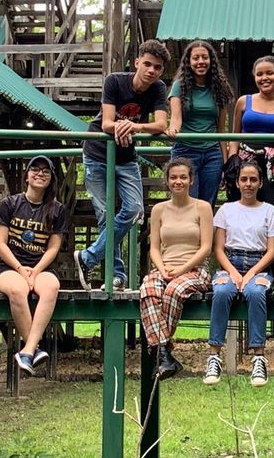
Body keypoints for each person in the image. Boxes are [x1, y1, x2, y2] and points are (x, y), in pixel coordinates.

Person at [74, 40, 170, 291]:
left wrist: (134, 126)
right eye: (147, 64)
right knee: (106, 215)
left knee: (135, 208)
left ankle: (89, 257)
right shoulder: (115, 81)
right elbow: (106, 123)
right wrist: (119, 126)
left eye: (157, 67)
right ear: (137, 62)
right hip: (97, 152)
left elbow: (161, 125)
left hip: (126, 155)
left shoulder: (158, 88)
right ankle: (117, 276)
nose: (151, 70)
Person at [204, 161, 274, 387]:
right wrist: (234, 273)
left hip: (259, 264)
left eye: (253, 180)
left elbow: (273, 250)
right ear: (237, 182)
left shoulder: (270, 210)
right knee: (222, 290)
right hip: (230, 262)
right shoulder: (226, 210)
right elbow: (218, 248)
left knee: (256, 292)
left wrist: (250, 274)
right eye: (244, 179)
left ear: (260, 183)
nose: (248, 184)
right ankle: (214, 355)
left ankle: (259, 356)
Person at [0, 155, 68, 375]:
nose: (40, 174)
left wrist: (36, 270)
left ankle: (27, 352)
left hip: (40, 267)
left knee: (51, 287)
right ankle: (33, 349)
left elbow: (53, 247)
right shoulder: (10, 204)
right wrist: (19, 268)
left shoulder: (57, 209)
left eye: (46, 171)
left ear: (51, 178)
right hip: (9, 267)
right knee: (17, 289)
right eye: (35, 169)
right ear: (27, 175)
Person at [140, 158, 214, 379]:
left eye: (183, 177)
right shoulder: (159, 210)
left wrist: (183, 268)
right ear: (167, 181)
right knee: (148, 290)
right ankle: (164, 355)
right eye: (173, 177)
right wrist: (161, 268)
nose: (178, 181)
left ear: (191, 180)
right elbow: (154, 248)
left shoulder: (202, 207)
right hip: (166, 268)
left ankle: (160, 351)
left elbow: (206, 248)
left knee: (173, 292)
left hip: (195, 269)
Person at [166, 40, 235, 208]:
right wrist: (173, 129)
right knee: (187, 203)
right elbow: (176, 118)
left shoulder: (220, 89)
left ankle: (204, 235)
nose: (200, 62)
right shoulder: (179, 87)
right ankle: (187, 235)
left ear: (211, 61)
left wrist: (225, 165)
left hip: (212, 154)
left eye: (205, 57)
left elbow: (221, 130)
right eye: (195, 58)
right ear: (188, 62)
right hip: (186, 150)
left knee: (207, 204)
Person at [228, 55, 274, 208]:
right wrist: (232, 160)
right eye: (259, 74)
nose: (264, 78)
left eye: (269, 73)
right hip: (246, 159)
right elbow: (235, 135)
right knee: (242, 203)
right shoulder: (243, 101)